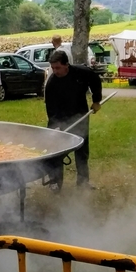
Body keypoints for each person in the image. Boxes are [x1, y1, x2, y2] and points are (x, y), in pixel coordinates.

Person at [45, 50, 102, 192]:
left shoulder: (81, 72)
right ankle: (56, 182)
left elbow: (95, 81)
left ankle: (83, 182)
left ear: (66, 65)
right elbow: (51, 109)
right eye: (53, 68)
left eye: (58, 67)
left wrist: (96, 100)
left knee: (82, 151)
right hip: (60, 119)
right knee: (57, 153)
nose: (55, 71)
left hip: (80, 116)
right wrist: (56, 126)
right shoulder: (52, 84)